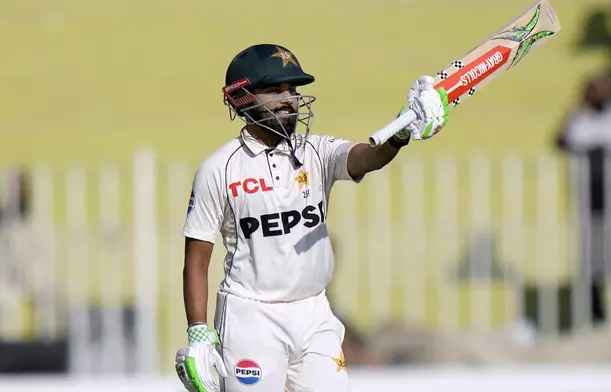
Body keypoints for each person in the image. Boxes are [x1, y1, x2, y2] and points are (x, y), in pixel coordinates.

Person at [174, 43, 449, 392]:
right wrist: (198, 334)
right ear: (242, 97)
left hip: (313, 312)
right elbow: (195, 261)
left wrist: (401, 132)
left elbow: (367, 158)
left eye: (293, 89)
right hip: (251, 318)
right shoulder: (219, 168)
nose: (289, 98)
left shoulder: (315, 151)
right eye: (275, 90)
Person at [555, 72, 611, 327]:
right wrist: (581, 106)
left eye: (604, 89)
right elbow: (561, 140)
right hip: (591, 201)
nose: (599, 94)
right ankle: (598, 319)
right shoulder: (580, 118)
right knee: (593, 263)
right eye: (594, 89)